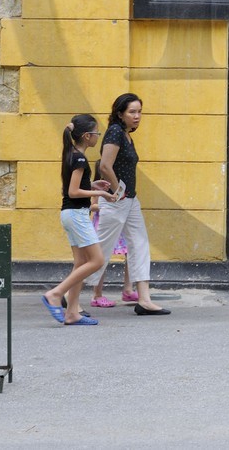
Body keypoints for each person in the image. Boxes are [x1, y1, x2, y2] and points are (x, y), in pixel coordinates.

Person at [87, 93, 170, 316]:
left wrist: (124, 195)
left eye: (139, 111)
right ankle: (65, 295)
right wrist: (118, 191)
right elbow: (105, 165)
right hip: (117, 201)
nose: (137, 116)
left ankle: (144, 299)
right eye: (132, 112)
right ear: (120, 113)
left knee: (140, 245)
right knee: (100, 250)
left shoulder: (125, 134)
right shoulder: (115, 131)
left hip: (130, 200)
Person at [42, 113, 108, 326]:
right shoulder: (79, 158)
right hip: (76, 215)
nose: (98, 136)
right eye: (97, 133)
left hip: (70, 214)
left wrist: (93, 186)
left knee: (81, 262)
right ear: (87, 136)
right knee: (96, 261)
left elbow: (76, 187)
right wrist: (102, 195)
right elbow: (73, 191)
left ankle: (72, 313)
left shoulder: (71, 153)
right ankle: (56, 293)